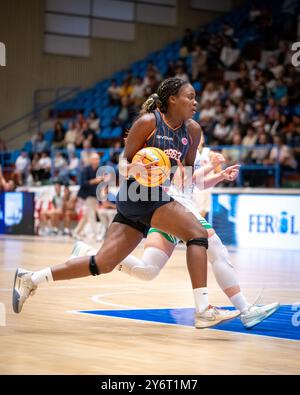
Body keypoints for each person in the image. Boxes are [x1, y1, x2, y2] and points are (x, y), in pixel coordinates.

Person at [13, 78, 239, 328]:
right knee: (197, 234)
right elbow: (123, 165)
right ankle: (204, 309)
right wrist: (138, 168)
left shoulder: (192, 131)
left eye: (195, 97)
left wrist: (211, 173)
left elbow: (185, 176)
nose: (195, 102)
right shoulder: (148, 123)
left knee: (103, 263)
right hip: (137, 194)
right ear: (172, 99)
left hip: (159, 196)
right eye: (190, 96)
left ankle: (31, 278)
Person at [72, 140, 280, 329]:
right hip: (175, 209)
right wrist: (211, 166)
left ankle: (92, 254)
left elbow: (194, 184)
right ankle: (246, 310)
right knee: (217, 250)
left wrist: (219, 176)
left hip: (169, 209)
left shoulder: (192, 151)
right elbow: (179, 180)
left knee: (148, 270)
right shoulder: (174, 146)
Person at [72, 153, 103, 240]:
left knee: (87, 215)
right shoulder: (85, 170)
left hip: (94, 195)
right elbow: (83, 183)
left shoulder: (99, 169)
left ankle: (76, 232)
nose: (98, 161)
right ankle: (96, 234)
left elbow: (100, 182)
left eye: (98, 159)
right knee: (91, 214)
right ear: (91, 160)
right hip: (86, 195)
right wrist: (95, 181)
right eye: (96, 159)